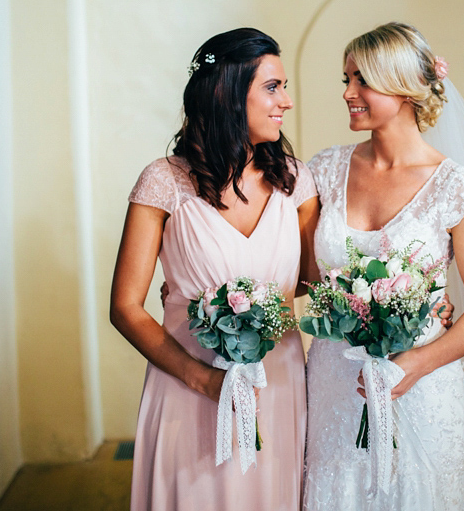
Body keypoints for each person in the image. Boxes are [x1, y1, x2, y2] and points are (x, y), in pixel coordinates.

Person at [303, 22, 464, 511]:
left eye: (361, 81)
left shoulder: (457, 186)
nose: (348, 93)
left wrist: (414, 364)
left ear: (402, 89)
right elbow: (305, 277)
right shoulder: (325, 170)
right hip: (338, 380)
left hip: (422, 380)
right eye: (345, 80)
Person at [110, 28, 318, 511]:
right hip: (190, 386)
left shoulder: (296, 180)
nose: (286, 101)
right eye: (272, 87)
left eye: (283, 86)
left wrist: (408, 297)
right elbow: (124, 306)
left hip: (278, 386)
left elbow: (314, 283)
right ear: (226, 93)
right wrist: (202, 380)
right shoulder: (163, 182)